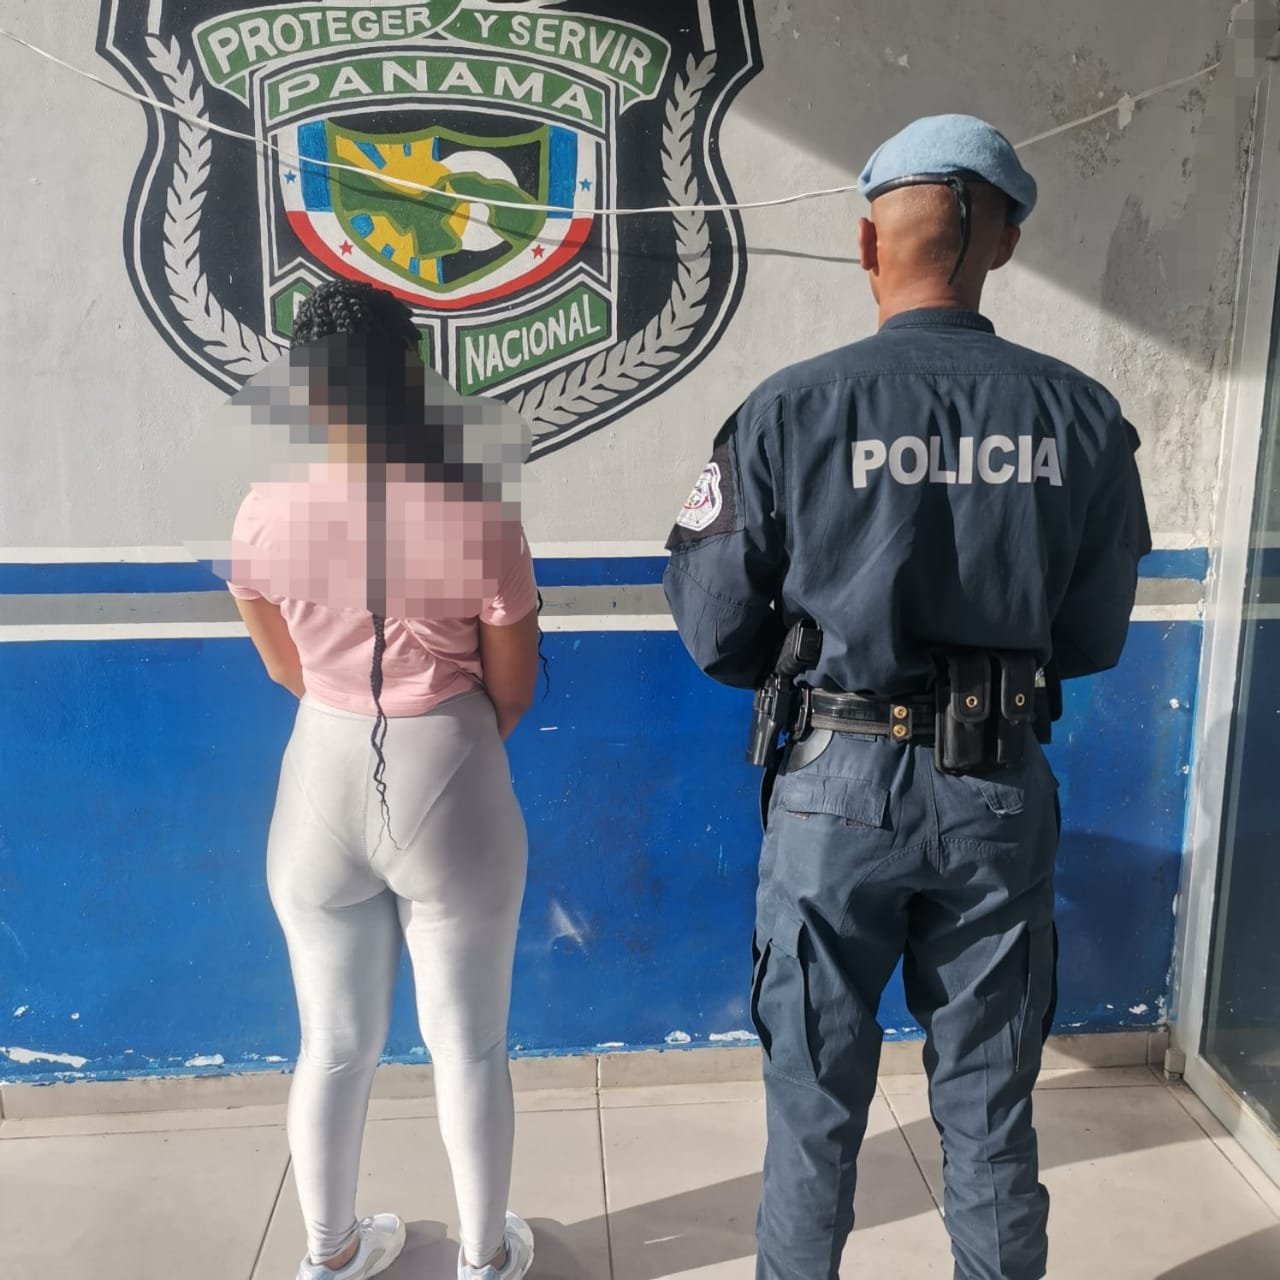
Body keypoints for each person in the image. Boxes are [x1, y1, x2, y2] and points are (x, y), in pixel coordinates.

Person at [662, 115, 1151, 1280]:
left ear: (865, 244)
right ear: (1004, 243)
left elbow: (713, 623)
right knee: (988, 1100)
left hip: (830, 786)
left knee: (812, 1102)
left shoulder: (786, 410)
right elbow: (1090, 634)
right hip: (995, 784)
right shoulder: (1082, 417)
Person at [224, 280, 540, 1280]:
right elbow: (514, 687)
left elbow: (282, 664)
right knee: (469, 1044)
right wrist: (445, 738)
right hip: (447, 763)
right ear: (414, 378)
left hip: (319, 766)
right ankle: (485, 1257)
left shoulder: (263, 510)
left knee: (330, 1042)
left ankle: (331, 1251)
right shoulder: (477, 515)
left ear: (308, 391)